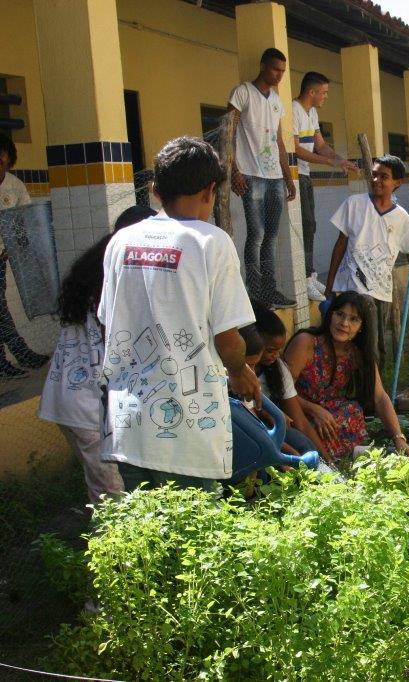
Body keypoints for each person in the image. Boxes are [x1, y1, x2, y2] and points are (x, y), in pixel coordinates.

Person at [98, 136, 261, 493]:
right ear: (210, 191)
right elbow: (227, 337)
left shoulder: (120, 242)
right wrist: (239, 371)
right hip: (189, 431)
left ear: (155, 191)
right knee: (195, 524)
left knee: (145, 522)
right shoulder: (211, 242)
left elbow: (107, 324)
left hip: (128, 423)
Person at [38, 206, 156, 506]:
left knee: (107, 490)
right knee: (113, 497)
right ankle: (109, 538)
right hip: (90, 408)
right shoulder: (119, 276)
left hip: (69, 398)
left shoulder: (94, 269)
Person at [284, 291, 409, 468]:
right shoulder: (306, 343)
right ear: (330, 315)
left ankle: (351, 461)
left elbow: (380, 397)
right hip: (297, 414)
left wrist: (399, 439)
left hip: (332, 419)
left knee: (352, 411)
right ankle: (329, 463)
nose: (344, 323)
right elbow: (281, 391)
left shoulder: (357, 353)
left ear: (361, 326)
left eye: (353, 319)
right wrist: (313, 409)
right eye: (340, 314)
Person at [324, 155, 409, 369]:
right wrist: (330, 283)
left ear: (397, 183)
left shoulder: (402, 218)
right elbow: (340, 245)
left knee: (374, 344)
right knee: (346, 340)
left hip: (379, 292)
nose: (376, 180)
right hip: (350, 287)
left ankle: (375, 383)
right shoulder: (354, 204)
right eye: (374, 175)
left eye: (383, 177)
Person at [228, 47, 297, 308]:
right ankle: (254, 294)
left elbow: (278, 141)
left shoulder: (277, 101)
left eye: (283, 71)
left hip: (274, 178)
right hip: (250, 175)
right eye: (275, 69)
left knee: (271, 236)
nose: (279, 75)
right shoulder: (242, 93)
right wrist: (234, 171)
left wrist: (288, 178)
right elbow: (229, 133)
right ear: (263, 66)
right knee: (256, 234)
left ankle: (269, 290)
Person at [292, 71, 359, 277]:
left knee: (310, 225)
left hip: (305, 175)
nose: (326, 97)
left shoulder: (312, 113)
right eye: (324, 92)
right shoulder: (293, 110)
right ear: (311, 92)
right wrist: (330, 162)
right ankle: (305, 275)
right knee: (305, 225)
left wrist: (340, 160)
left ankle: (309, 275)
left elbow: (320, 145)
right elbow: (295, 149)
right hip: (295, 175)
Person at [0, 135, 49, 377]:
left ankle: (13, 357)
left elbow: (25, 222)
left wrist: (14, 248)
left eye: (1, 162)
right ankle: (19, 355)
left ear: (9, 161)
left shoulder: (15, 186)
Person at [251, 302, 325, 456]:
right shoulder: (236, 374)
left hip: (274, 428)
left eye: (279, 350)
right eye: (270, 350)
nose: (276, 355)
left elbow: (300, 420)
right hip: (251, 431)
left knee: (304, 445)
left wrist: (326, 459)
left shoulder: (277, 368)